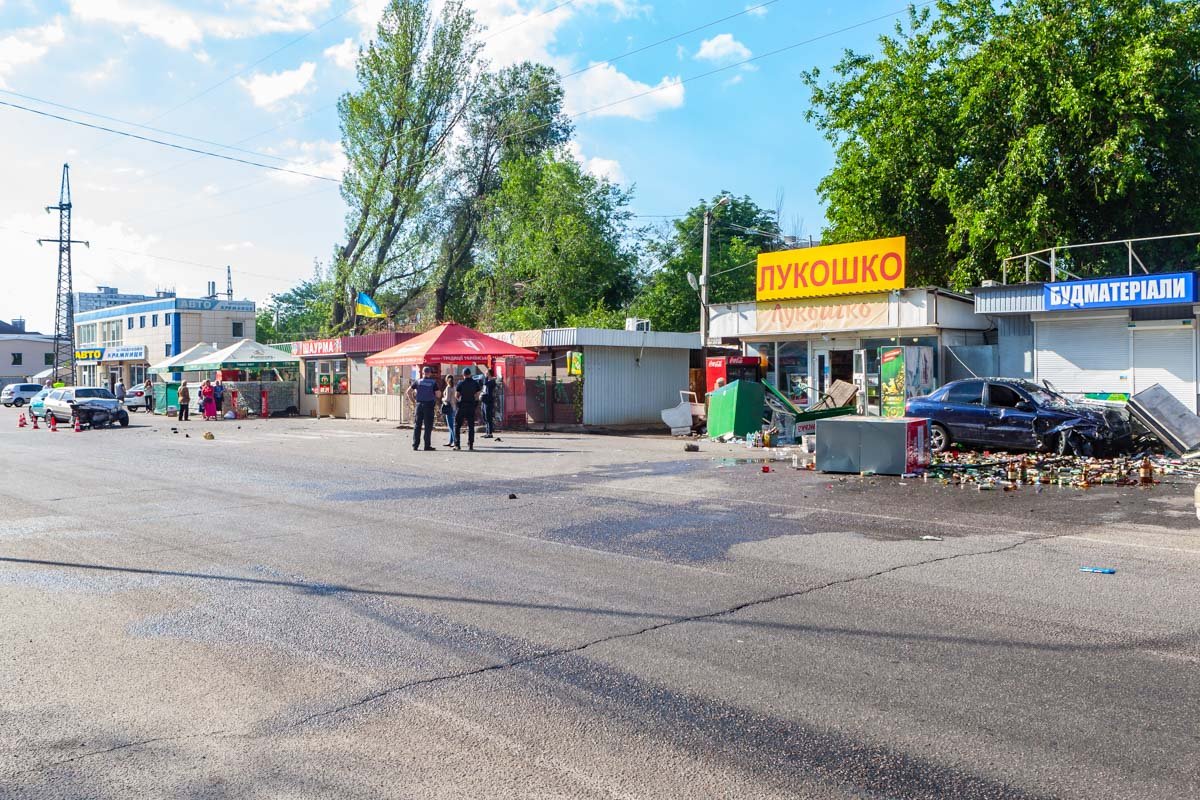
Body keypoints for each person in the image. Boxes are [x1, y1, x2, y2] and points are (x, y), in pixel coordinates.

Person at [405, 366, 442, 451]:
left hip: (419, 405)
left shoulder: (418, 381)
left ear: (423, 373)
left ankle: (415, 445)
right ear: (430, 373)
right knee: (428, 426)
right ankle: (427, 445)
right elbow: (438, 394)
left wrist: (413, 401)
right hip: (429, 406)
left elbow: (408, 392)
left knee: (417, 425)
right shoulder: (433, 383)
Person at [454, 367, 481, 451]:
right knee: (471, 426)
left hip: (462, 406)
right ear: (470, 374)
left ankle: (457, 444)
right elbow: (477, 395)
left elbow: (457, 395)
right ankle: (471, 445)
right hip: (471, 406)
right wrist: (475, 404)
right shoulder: (475, 383)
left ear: (463, 375)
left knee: (457, 425)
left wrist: (458, 401)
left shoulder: (460, 383)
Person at [441, 374, 458, 448]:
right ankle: (451, 441)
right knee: (452, 425)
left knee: (451, 426)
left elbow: (447, 399)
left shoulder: (448, 388)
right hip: (454, 407)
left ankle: (455, 441)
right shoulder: (454, 387)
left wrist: (442, 399)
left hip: (449, 408)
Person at [480, 368, 497, 438]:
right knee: (484, 416)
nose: (485, 374)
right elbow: (483, 386)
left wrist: (485, 378)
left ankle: (490, 433)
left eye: (486, 373)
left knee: (488, 417)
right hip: (484, 401)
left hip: (488, 402)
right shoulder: (487, 381)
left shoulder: (492, 382)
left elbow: (485, 384)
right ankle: (487, 432)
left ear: (489, 374)